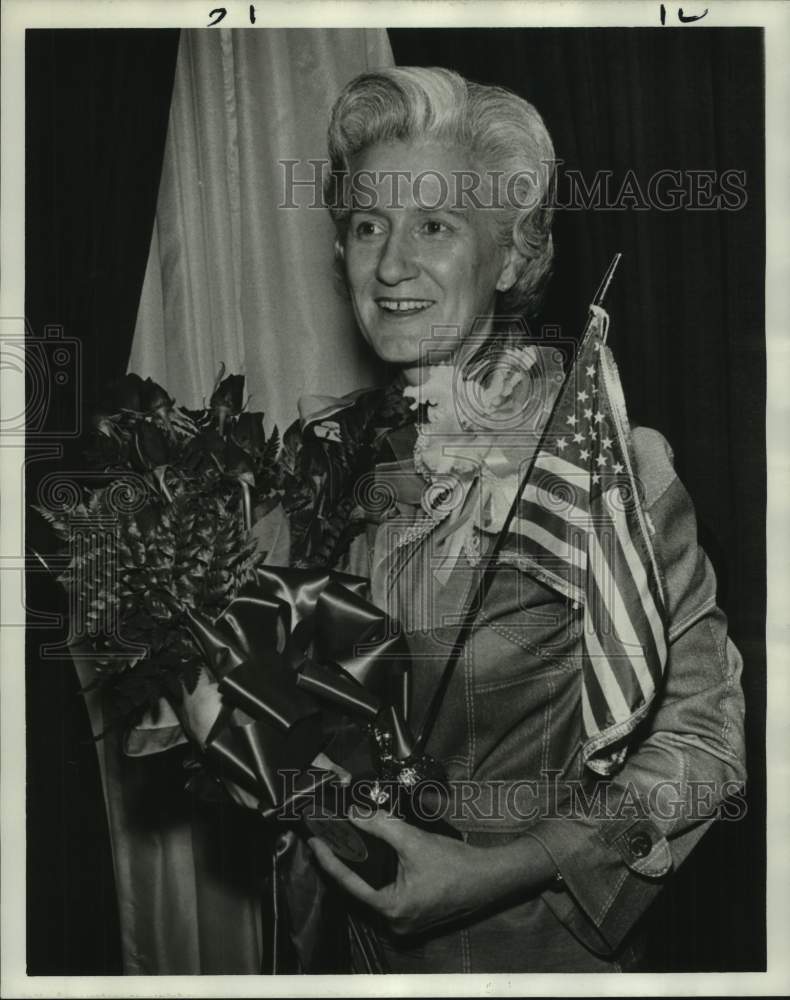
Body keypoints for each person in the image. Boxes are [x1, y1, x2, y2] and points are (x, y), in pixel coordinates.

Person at [294, 66, 748, 973]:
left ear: (510, 257)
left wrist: (505, 868)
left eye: (435, 225)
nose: (390, 265)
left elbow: (707, 746)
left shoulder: (605, 465)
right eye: (366, 226)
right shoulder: (325, 463)